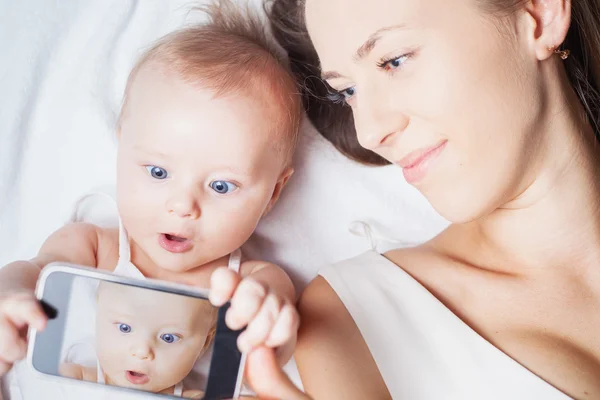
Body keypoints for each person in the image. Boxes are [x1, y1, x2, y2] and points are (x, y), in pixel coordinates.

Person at [260, 0, 600, 398]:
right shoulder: (356, 316)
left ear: (540, 15)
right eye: (347, 92)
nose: (369, 131)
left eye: (394, 61)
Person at [0, 0, 302, 380]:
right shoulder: (96, 247)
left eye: (221, 186)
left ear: (273, 193)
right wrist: (11, 296)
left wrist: (269, 324)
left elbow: (279, 339)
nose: (182, 206)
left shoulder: (254, 282)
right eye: (158, 172)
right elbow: (32, 271)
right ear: (122, 147)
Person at [60, 282, 215, 398]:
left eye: (168, 338)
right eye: (124, 328)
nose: (142, 351)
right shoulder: (80, 378)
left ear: (204, 344)